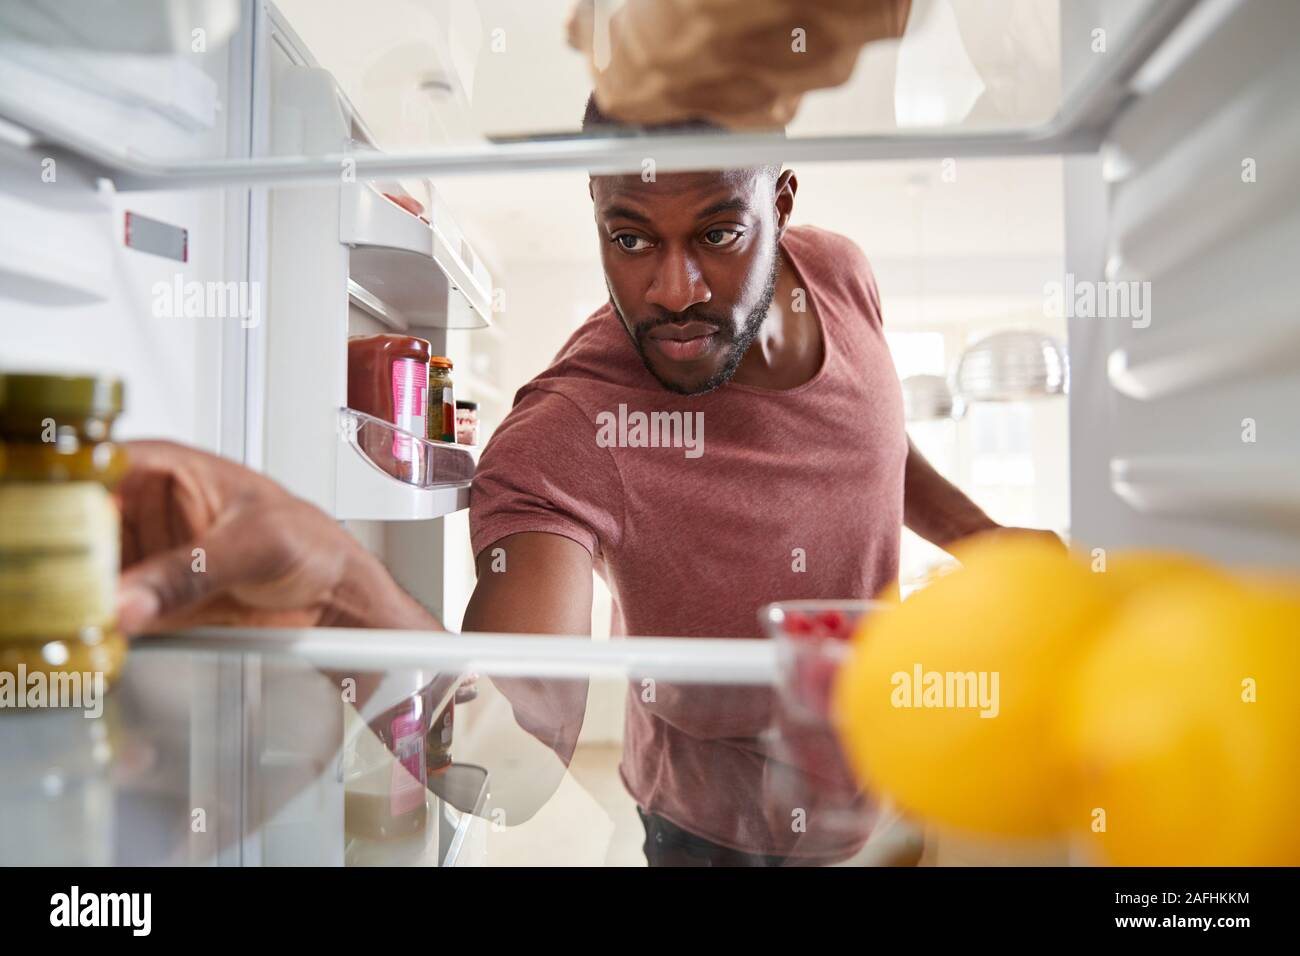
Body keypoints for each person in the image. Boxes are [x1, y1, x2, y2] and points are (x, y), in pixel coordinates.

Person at [117, 94, 1060, 867]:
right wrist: (343, 589)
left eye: (719, 234)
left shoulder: (843, 274)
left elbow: (873, 437)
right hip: (717, 834)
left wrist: (982, 538)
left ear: (781, 205)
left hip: (900, 774)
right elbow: (514, 755)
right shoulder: (568, 429)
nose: (673, 290)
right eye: (632, 237)